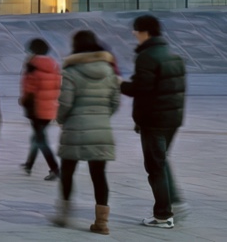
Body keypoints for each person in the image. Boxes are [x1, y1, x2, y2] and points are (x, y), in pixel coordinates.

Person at [121, 13, 187, 228]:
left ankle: (163, 215)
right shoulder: (172, 55)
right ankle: (174, 202)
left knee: (155, 167)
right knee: (161, 160)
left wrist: (119, 84)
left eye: (136, 30)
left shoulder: (147, 57)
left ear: (144, 32)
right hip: (172, 119)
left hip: (154, 121)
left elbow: (141, 89)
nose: (134, 34)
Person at [54, 29, 119, 234]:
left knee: (67, 172)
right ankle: (101, 223)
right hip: (101, 130)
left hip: (75, 129)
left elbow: (65, 102)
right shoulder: (109, 71)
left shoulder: (71, 72)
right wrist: (102, 116)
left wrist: (61, 119)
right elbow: (115, 102)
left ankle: (64, 215)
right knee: (99, 175)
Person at [20, 38, 60, 179]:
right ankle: (29, 164)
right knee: (37, 136)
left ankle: (55, 169)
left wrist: (23, 101)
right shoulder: (53, 65)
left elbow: (28, 89)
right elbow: (57, 87)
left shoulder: (32, 66)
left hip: (36, 109)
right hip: (50, 109)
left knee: (41, 140)